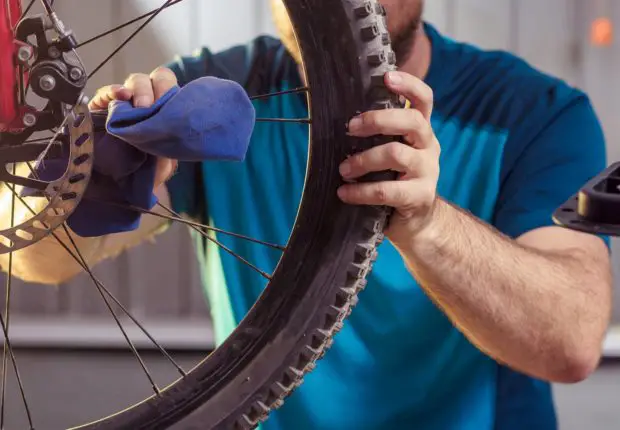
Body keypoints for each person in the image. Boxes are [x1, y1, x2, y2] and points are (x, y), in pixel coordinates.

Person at [0, 0, 613, 429]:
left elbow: (573, 341)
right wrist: (88, 175)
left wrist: (427, 223)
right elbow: (35, 261)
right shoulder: (222, 91)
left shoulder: (537, 112)